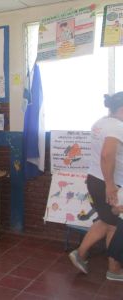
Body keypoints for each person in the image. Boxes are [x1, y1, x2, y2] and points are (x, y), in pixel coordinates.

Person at [69, 92, 123, 281]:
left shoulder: (101, 122)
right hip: (107, 183)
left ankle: (80, 254)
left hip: (95, 179)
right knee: (116, 223)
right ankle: (114, 270)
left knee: (106, 220)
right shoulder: (117, 126)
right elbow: (107, 155)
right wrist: (110, 185)